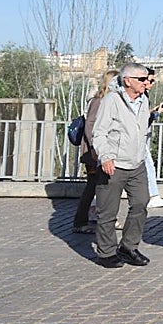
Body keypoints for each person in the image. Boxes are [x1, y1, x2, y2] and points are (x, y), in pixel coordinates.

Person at [90, 63, 153, 268]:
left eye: (148, 79)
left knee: (140, 205)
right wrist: (106, 157)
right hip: (114, 165)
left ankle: (128, 247)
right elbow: (99, 132)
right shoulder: (111, 101)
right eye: (142, 79)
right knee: (108, 212)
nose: (146, 83)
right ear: (127, 81)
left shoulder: (144, 101)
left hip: (136, 164)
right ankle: (106, 252)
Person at [73, 69, 118, 234]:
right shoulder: (99, 101)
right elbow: (91, 126)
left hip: (97, 151)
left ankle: (97, 218)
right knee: (93, 185)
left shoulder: (105, 100)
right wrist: (94, 148)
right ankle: (81, 221)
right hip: (93, 152)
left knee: (99, 185)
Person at [142, 67, 163, 208]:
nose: (152, 84)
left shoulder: (143, 96)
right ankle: (153, 195)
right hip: (138, 138)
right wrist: (156, 114)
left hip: (140, 137)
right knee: (148, 166)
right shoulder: (141, 96)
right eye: (150, 81)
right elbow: (142, 119)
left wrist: (154, 111)